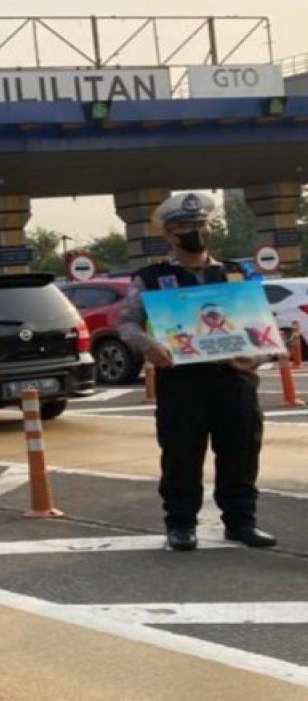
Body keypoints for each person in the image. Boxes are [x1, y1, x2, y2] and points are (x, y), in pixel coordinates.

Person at [117, 191, 276, 552]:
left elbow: (264, 327)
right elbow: (126, 324)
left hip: (235, 381)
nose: (195, 232)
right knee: (181, 454)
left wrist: (258, 358)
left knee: (241, 452)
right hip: (182, 381)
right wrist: (149, 346)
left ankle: (241, 523)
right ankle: (181, 525)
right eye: (185, 226)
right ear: (169, 235)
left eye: (200, 225)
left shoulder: (236, 274)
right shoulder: (152, 278)